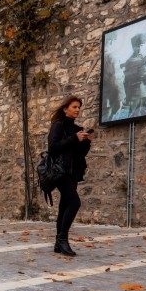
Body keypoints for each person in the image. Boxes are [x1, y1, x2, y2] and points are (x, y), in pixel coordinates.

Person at [47, 96, 93, 256]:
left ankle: (58, 244)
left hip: (74, 172)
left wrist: (86, 141)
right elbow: (53, 148)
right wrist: (74, 138)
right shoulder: (58, 125)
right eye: (74, 107)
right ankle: (63, 240)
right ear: (66, 108)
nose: (77, 109)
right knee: (75, 203)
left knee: (64, 206)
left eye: (79, 107)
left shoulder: (77, 128)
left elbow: (80, 153)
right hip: (60, 171)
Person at [121, 33, 146, 117]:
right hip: (135, 92)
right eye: (138, 46)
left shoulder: (142, 58)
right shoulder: (130, 61)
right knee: (133, 114)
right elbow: (126, 79)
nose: (140, 48)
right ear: (133, 47)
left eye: (141, 46)